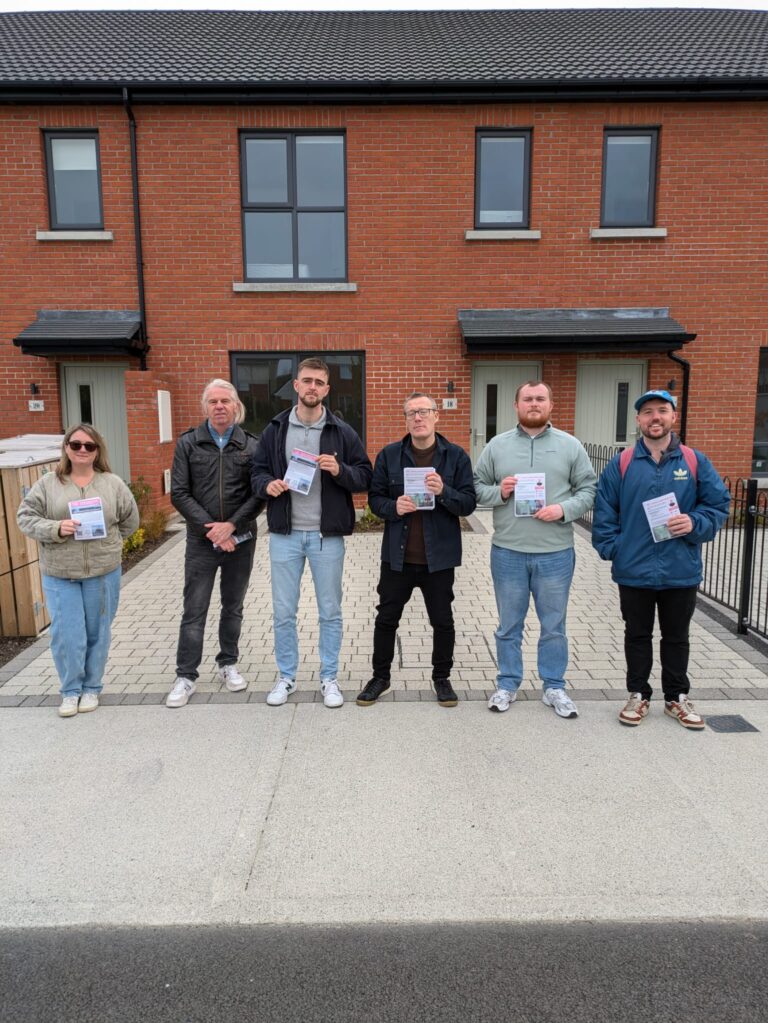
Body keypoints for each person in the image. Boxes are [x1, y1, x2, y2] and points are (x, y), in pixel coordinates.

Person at [592, 389, 730, 729]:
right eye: (648, 412)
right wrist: (613, 548)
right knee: (636, 635)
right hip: (634, 569)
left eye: (662, 411)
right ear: (638, 420)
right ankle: (638, 694)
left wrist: (694, 523)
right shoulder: (622, 463)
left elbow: (718, 505)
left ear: (672, 417)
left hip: (680, 569)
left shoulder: (694, 460)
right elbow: (605, 508)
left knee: (676, 636)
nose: (656, 417)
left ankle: (676, 698)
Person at [251, 358, 373, 708]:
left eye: (319, 382)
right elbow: (256, 472)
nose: (312, 387)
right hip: (285, 535)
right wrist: (267, 485)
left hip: (326, 537)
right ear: (296, 385)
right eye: (307, 381)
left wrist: (340, 470)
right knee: (283, 611)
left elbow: (365, 476)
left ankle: (329, 678)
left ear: (327, 389)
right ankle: (286, 677)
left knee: (330, 610)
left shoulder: (341, 431)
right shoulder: (276, 429)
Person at [473, 381, 597, 718]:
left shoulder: (570, 446)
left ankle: (554, 686)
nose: (533, 404)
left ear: (551, 404)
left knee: (553, 625)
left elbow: (589, 489)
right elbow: (475, 488)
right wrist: (499, 491)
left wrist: (564, 510)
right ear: (516, 405)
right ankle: (508, 683)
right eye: (527, 399)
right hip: (508, 551)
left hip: (555, 552)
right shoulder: (497, 447)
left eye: (540, 398)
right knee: (508, 625)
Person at [357, 392, 477, 707]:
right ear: (406, 419)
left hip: (439, 559)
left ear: (437, 416)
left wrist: (444, 491)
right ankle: (380, 677)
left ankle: (442, 678)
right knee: (386, 619)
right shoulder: (389, 455)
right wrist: (393, 506)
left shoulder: (456, 456)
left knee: (442, 621)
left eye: (424, 411)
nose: (418, 418)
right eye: (411, 413)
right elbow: (375, 498)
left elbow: (468, 502)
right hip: (398, 557)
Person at [17, 424, 139, 717]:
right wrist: (56, 528)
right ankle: (71, 690)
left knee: (98, 633)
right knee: (67, 634)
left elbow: (129, 521)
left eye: (89, 446)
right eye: (76, 445)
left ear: (98, 451)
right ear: (66, 448)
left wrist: (108, 545)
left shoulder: (112, 483)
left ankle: (92, 688)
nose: (82, 450)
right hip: (61, 573)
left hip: (102, 571)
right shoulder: (48, 483)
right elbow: (25, 517)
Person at [166, 379, 263, 708]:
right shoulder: (189, 444)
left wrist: (232, 526)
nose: (220, 406)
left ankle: (228, 664)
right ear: (204, 407)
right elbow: (179, 492)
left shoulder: (251, 445)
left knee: (232, 607)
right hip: (201, 541)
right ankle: (186, 675)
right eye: (213, 401)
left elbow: (258, 493)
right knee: (194, 610)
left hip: (241, 540)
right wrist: (212, 530)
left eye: (225, 401)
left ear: (236, 406)